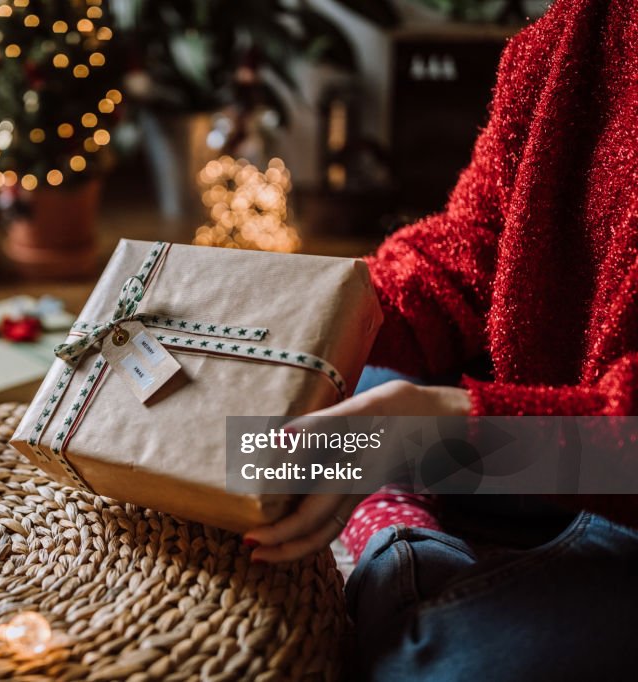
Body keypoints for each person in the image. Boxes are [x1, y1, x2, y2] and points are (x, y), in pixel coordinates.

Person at [243, 0, 638, 678]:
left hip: (614, 468)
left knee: (445, 662)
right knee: (321, 393)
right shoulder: (574, 32)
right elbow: (478, 245)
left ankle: (399, 537)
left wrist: (431, 434)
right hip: (557, 430)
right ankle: (413, 521)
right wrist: (324, 314)